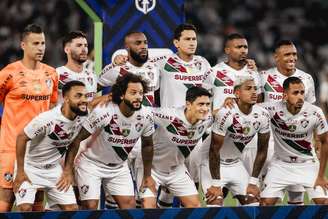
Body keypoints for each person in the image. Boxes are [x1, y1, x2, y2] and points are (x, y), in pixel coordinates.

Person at [57, 73, 156, 210]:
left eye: (140, 93)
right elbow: (76, 140)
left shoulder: (146, 115)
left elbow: (148, 145)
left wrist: (147, 176)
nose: (138, 97)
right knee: (90, 207)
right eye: (133, 93)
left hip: (119, 167)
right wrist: (68, 170)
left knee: (130, 207)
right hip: (92, 164)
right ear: (121, 95)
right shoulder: (104, 112)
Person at [0, 24, 58, 212]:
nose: (40, 47)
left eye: (42, 43)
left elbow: (51, 108)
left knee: (37, 199)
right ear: (23, 45)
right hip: (10, 146)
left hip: (38, 150)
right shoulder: (8, 73)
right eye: (35, 43)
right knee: (7, 197)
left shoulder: (51, 73)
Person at [13, 81, 88, 211]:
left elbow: (75, 143)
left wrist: (67, 170)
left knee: (72, 209)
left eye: (85, 96)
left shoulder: (83, 116)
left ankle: (50, 209)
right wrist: (20, 171)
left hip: (53, 170)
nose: (83, 100)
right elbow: (21, 138)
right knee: (25, 208)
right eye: (78, 96)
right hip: (30, 167)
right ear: (66, 99)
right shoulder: (47, 119)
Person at [258, 40, 317, 205]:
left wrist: (315, 139)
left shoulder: (306, 78)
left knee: (296, 194)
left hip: (296, 139)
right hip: (270, 139)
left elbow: (311, 111)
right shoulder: (264, 77)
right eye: (287, 54)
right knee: (269, 194)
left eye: (294, 54)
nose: (292, 58)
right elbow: (258, 108)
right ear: (276, 57)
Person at [138, 86, 212, 208]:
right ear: (188, 104)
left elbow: (219, 113)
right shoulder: (170, 116)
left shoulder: (207, 119)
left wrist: (230, 101)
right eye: (200, 104)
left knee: (196, 207)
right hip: (151, 168)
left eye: (207, 104)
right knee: (149, 210)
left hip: (176, 169)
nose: (205, 109)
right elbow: (141, 110)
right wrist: (110, 99)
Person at [201, 75, 270, 206]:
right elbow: (213, 150)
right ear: (237, 93)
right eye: (248, 88)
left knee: (254, 202)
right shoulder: (225, 113)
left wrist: (253, 182)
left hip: (235, 164)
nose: (254, 92)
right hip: (211, 163)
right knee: (215, 203)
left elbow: (262, 151)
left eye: (255, 89)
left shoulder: (263, 115)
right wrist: (216, 185)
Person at [260, 77, 328, 205]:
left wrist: (321, 175)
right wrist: (232, 101)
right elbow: (247, 106)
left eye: (302, 92)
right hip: (280, 165)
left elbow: (326, 141)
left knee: (324, 203)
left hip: (307, 164)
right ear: (284, 95)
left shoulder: (315, 112)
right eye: (295, 93)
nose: (300, 97)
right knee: (265, 204)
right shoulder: (271, 109)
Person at [57, 31, 97, 104]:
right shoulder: (57, 74)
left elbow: (92, 104)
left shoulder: (92, 75)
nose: (84, 49)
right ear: (67, 50)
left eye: (86, 45)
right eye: (79, 45)